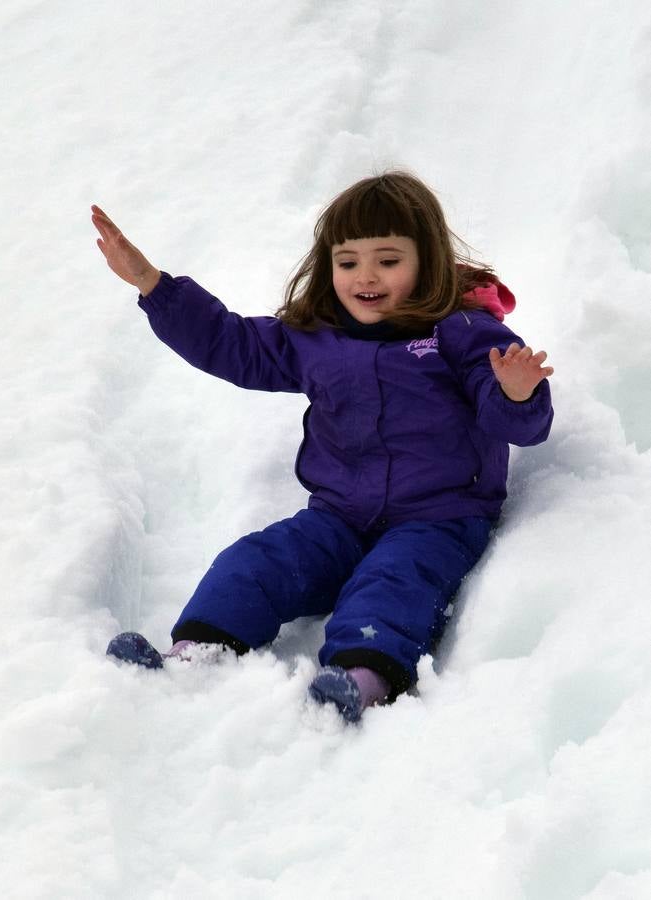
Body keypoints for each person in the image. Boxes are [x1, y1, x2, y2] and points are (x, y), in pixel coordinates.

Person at [92, 171, 554, 722]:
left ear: (426, 262)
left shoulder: (460, 332)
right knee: (255, 562)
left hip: (438, 519)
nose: (366, 277)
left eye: (388, 260)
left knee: (392, 583)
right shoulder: (318, 337)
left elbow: (517, 421)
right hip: (337, 517)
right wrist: (153, 285)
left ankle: (363, 676)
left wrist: (517, 392)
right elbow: (233, 345)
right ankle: (201, 650)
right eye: (348, 261)